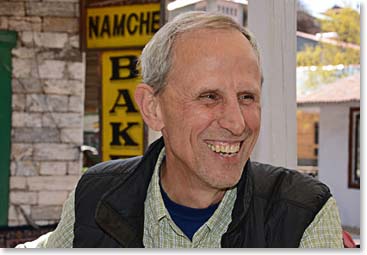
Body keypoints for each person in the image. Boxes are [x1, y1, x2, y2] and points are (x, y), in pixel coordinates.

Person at [17, 11, 343, 248]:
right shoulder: (95, 195)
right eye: (209, 96)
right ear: (153, 108)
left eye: (247, 97)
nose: (237, 123)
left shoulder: (302, 212)